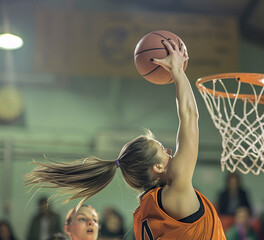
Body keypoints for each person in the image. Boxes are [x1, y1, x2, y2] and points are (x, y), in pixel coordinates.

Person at [25, 39, 226, 239]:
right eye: (163, 150)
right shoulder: (176, 192)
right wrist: (177, 71)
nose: (170, 151)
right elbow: (190, 117)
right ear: (157, 167)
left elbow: (190, 118)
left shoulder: (143, 214)